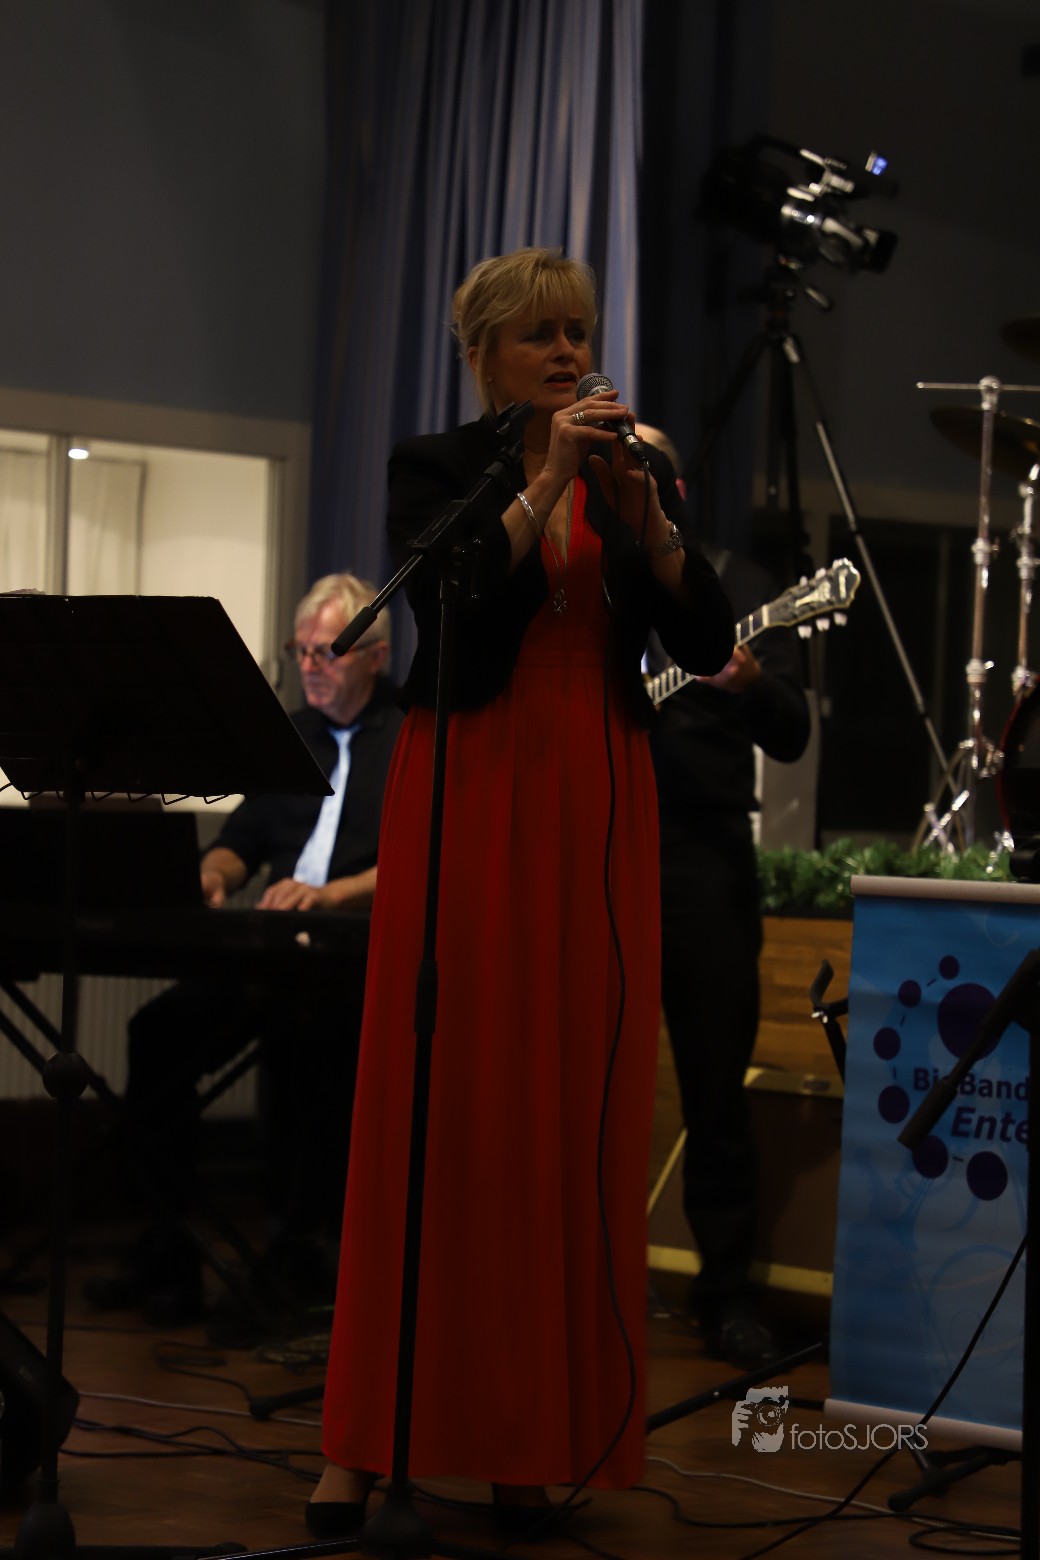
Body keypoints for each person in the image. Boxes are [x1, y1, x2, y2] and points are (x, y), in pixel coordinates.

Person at [306, 248, 735, 1540]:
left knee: (559, 1111)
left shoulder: (630, 468)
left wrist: (651, 527)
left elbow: (707, 639)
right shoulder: (438, 466)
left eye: (577, 331)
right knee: (439, 1107)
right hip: (473, 784)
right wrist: (542, 482)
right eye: (539, 334)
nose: (565, 352)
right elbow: (453, 612)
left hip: (593, 800)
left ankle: (527, 1438)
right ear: (484, 353)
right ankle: (362, 1442)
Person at [84, 572, 403, 1325]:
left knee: (308, 1042)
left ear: (377, 656)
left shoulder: (414, 738)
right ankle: (167, 1248)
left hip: (358, 958)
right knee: (158, 1033)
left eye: (328, 652)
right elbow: (241, 841)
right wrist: (213, 874)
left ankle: (298, 1252)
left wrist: (332, 894)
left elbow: (425, 859)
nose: (311, 666)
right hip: (274, 952)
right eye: (302, 652)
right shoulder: (287, 738)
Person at [636, 424, 811, 1371]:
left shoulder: (741, 588)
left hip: (700, 860)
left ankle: (727, 1296)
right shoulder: (580, 583)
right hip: (592, 851)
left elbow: (790, 731)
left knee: (715, 1089)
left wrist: (743, 678)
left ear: (675, 491)